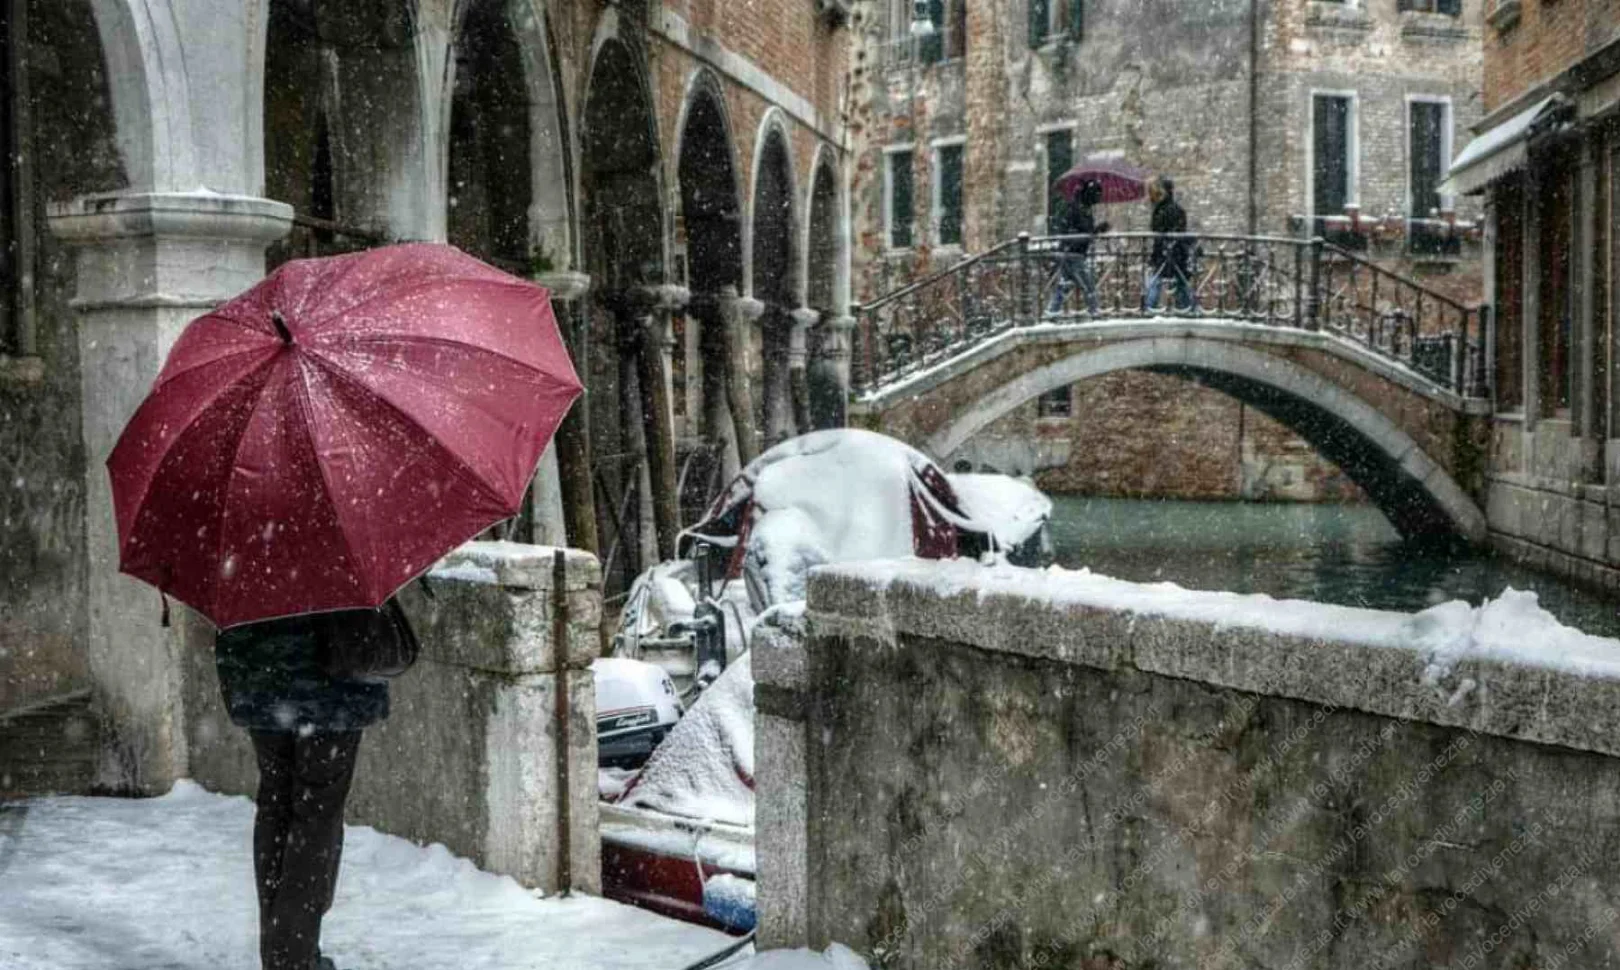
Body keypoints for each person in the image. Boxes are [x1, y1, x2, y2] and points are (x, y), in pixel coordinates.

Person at [215, 602, 412, 970]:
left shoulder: (248, 551)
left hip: (262, 677)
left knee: (277, 803)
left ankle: (284, 948)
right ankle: (292, 956)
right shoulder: (339, 551)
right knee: (316, 814)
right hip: (331, 683)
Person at [1047, 179, 1109, 316]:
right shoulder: (1077, 207)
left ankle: (1051, 313)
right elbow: (1079, 229)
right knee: (1088, 286)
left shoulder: (1083, 207)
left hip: (1074, 251)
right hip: (1073, 252)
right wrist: (1094, 230)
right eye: (1097, 195)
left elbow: (1086, 231)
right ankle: (1094, 313)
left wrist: (1097, 229)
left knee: (1065, 285)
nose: (1098, 199)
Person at [1144, 176, 1196, 313]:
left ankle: (1149, 309)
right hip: (1177, 254)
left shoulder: (1161, 210)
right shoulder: (1176, 209)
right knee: (1180, 283)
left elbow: (1157, 230)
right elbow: (1179, 230)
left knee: (1156, 282)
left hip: (1165, 253)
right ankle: (1187, 309)